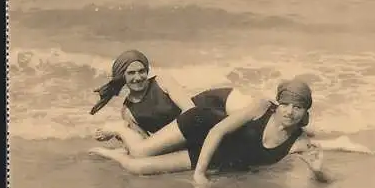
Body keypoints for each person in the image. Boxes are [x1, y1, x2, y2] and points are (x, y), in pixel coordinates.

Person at [90, 79, 331, 184]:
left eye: (297, 107)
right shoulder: (261, 107)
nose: (289, 112)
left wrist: (319, 172)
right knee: (141, 152)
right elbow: (218, 130)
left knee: (137, 167)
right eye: (286, 105)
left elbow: (322, 175)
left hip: (216, 154)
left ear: (305, 111)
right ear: (278, 103)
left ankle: (111, 154)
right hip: (201, 124)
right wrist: (199, 174)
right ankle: (120, 128)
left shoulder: (298, 140)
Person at [90, 49, 254, 140]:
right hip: (191, 132)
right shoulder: (128, 112)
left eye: (141, 71)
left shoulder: (163, 81)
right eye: (131, 73)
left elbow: (190, 111)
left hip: (214, 104)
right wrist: (117, 134)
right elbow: (146, 145)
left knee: (255, 124)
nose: (138, 77)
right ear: (123, 76)